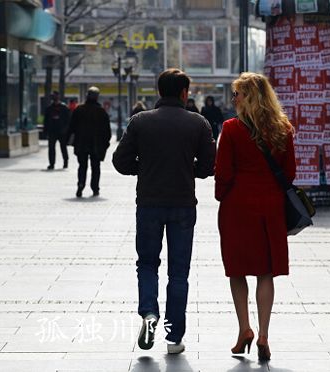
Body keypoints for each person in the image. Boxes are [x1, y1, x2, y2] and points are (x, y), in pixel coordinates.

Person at [112, 69, 216, 354]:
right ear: (185, 93)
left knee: (147, 264)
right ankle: (174, 337)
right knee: (179, 271)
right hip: (183, 204)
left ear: (159, 91)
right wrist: (188, 170)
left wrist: (143, 168)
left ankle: (148, 312)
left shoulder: (140, 121)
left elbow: (120, 161)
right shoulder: (198, 123)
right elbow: (209, 167)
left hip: (148, 203)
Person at [214, 72, 296, 362]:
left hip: (238, 206)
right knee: (265, 271)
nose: (233, 98)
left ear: (249, 97)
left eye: (237, 94)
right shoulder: (283, 128)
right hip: (270, 207)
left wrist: (221, 194)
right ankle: (264, 333)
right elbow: (289, 173)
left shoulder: (232, 129)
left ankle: (244, 329)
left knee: (237, 270)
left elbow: (222, 171)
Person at [67, 86, 111, 198]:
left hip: (81, 144)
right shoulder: (101, 112)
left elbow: (71, 127)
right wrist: (105, 143)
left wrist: (70, 140)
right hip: (96, 145)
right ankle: (95, 188)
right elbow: (107, 131)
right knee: (95, 167)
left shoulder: (79, 110)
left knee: (82, 166)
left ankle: (81, 185)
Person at [43, 91, 71, 170]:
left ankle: (65, 161)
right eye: (53, 96)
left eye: (55, 96)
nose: (54, 98)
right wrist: (46, 131)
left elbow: (68, 120)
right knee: (51, 148)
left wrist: (66, 130)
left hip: (62, 131)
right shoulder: (49, 108)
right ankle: (51, 163)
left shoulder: (64, 108)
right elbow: (46, 121)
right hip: (52, 131)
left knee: (63, 147)